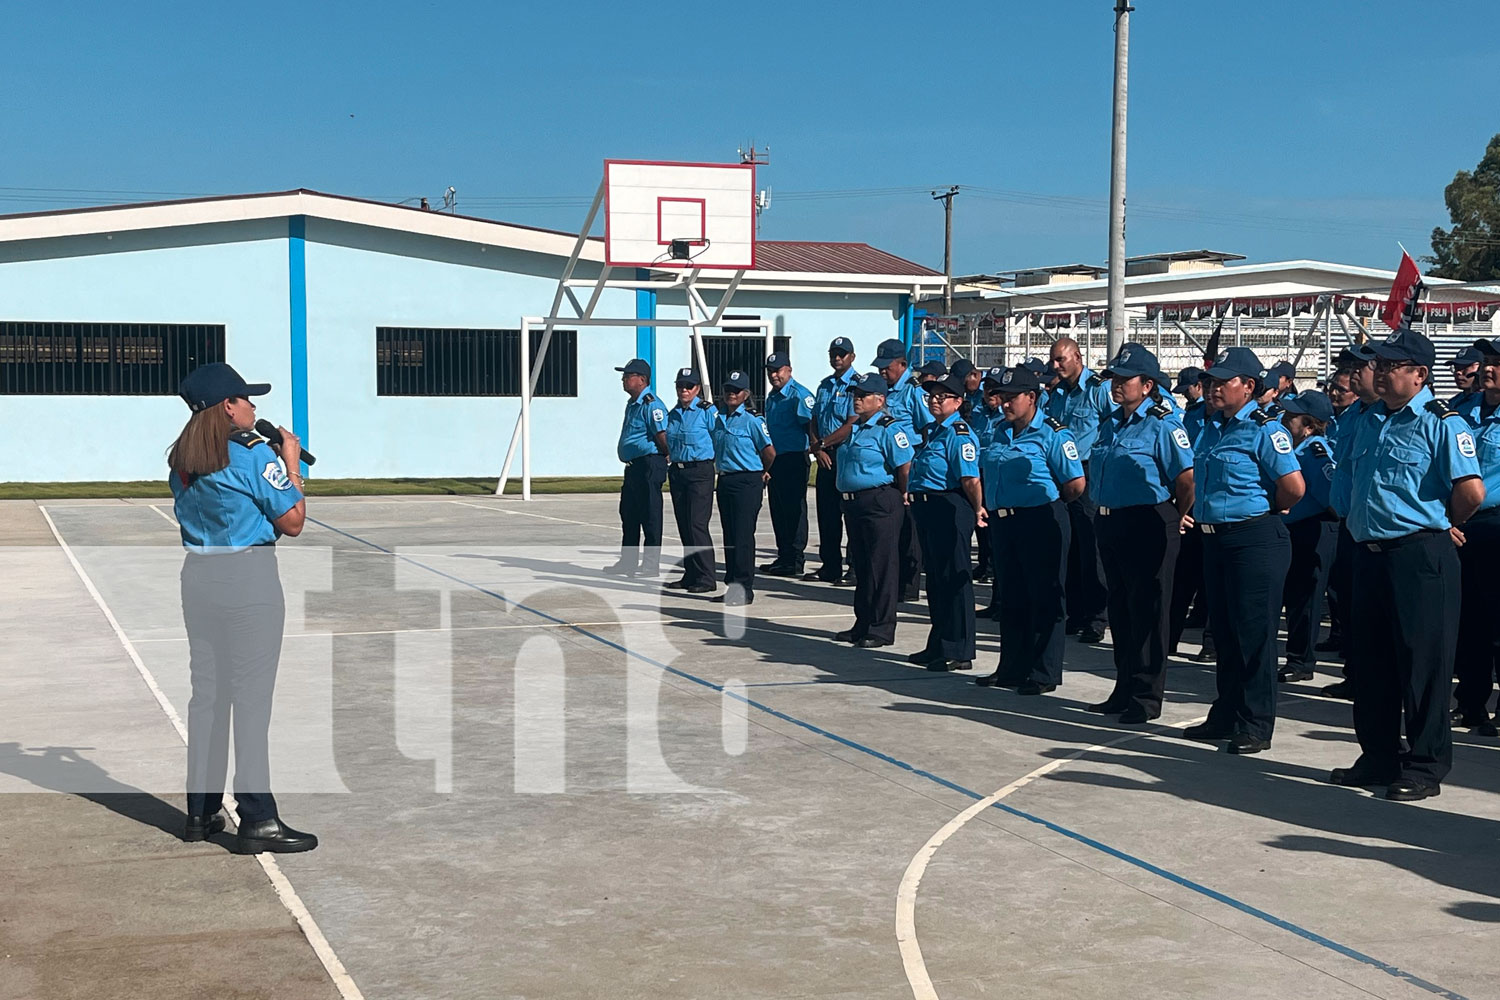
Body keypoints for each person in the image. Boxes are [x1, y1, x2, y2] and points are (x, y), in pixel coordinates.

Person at [167, 362, 317, 853]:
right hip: (248, 582)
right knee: (251, 702)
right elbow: (292, 521)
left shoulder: (183, 460)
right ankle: (258, 818)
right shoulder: (254, 455)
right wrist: (291, 463)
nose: (255, 407)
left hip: (200, 579)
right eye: (248, 398)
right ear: (228, 406)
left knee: (207, 697)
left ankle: (201, 811)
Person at [1330, 328, 1483, 801]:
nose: (1378, 371)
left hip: (1419, 553)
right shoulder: (1369, 420)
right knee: (1372, 662)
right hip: (1369, 554)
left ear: (1419, 374)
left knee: (1423, 664)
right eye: (1379, 363)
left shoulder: (1443, 422)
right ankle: (1377, 755)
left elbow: (1471, 492)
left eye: (1390, 365)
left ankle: (1424, 764)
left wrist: (1442, 523)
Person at [1183, 347, 1304, 755]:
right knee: (1226, 632)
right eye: (1211, 382)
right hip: (1214, 538)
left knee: (1255, 633)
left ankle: (1256, 722)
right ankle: (1226, 711)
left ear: (1248, 387)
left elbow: (1294, 487)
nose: (1213, 389)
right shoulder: (1211, 427)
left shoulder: (1265, 429)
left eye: (1223, 382)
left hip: (1254, 537)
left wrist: (1266, 509)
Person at [1087, 345, 1196, 721]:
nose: (1116, 385)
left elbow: (1185, 480)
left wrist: (1177, 517)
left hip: (1148, 522)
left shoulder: (1163, 424)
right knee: (1120, 609)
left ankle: (1147, 697)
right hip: (1111, 521)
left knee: (1148, 611)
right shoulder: (1111, 422)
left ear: (1147, 385)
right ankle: (1124, 687)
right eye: (1113, 378)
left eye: (1124, 379)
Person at [975, 366, 1084, 694]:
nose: (1004, 404)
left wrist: (1047, 505)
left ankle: (1043, 671)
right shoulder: (998, 431)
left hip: (1040, 518)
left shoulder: (1052, 433)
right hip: (1005, 521)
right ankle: (1012, 666)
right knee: (1011, 596)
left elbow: (1075, 484)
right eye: (1001, 398)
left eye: (1011, 398)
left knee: (1044, 596)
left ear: (1032, 397)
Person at [907, 373, 987, 672]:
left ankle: (960, 648)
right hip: (929, 508)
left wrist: (978, 509)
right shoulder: (934, 431)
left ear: (958, 401)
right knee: (938, 581)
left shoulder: (959, 433)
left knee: (955, 578)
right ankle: (939, 643)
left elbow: (969, 478)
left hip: (950, 506)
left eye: (943, 396)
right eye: (932, 395)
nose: (935, 400)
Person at [833, 372, 915, 649]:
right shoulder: (855, 428)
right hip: (854, 502)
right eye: (856, 395)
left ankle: (881, 627)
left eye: (863, 396)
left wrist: (904, 494)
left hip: (880, 500)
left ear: (880, 400)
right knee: (863, 565)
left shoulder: (890, 429)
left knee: (882, 566)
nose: (857, 400)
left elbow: (904, 466)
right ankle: (863, 622)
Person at [1046, 336, 1114, 642]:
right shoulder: (1057, 394)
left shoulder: (1099, 389)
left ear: (1077, 357)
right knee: (1067, 544)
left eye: (1061, 359)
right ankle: (1074, 612)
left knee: (1091, 547)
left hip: (1088, 472)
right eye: (1053, 360)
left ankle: (1097, 617)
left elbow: (1115, 426)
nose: (1055, 365)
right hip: (1061, 473)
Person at [1321, 344, 1379, 698]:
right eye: (1348, 368)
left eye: (1358, 368)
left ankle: (1371, 679)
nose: (1352, 374)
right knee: (1351, 604)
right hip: (1348, 521)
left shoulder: (1382, 415)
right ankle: (1355, 673)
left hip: (1374, 525)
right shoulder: (1352, 415)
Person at [1451, 338, 1500, 738]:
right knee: (1468, 621)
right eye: (1487, 361)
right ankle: (1470, 703)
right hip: (1463, 525)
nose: (1488, 368)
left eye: (1498, 363)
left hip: (1499, 526)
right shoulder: (1462, 412)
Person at [1276, 391, 1339, 683]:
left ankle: (1301, 661)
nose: (1285, 420)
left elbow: (1331, 498)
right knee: (1292, 595)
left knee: (1307, 597)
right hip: (1293, 529)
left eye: (1292, 417)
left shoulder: (1315, 453)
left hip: (1313, 529)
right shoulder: (1293, 448)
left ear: (1310, 426)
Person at [875, 338, 934, 600]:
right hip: (888, 470)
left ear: (902, 364)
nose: (882, 372)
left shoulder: (914, 393)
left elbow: (929, 430)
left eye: (887, 367)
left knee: (910, 532)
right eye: (879, 368)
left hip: (909, 468)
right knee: (894, 531)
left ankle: (909, 586)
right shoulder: (883, 390)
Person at [711, 371, 775, 606]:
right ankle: (732, 586)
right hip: (726, 480)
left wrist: (761, 472)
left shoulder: (752, 420)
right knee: (729, 535)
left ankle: (744, 588)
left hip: (747, 481)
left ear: (746, 394)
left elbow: (769, 452)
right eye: (728, 389)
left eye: (736, 390)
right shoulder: (719, 419)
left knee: (743, 535)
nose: (731, 394)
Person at [607, 358, 668, 578]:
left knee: (650, 516)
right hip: (634, 466)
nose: (623, 380)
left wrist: (665, 458)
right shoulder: (633, 404)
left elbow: (662, 436)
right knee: (629, 515)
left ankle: (650, 565)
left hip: (648, 464)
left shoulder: (651, 404)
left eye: (628, 376)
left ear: (641, 380)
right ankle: (628, 562)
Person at [806, 337, 860, 584]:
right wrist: (817, 449)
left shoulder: (857, 386)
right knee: (827, 516)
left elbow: (852, 424)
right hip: (824, 455)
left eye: (842, 354)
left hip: (845, 455)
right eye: (833, 354)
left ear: (852, 357)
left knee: (851, 515)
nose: (837, 358)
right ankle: (830, 566)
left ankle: (855, 568)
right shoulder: (824, 386)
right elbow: (815, 419)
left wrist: (823, 444)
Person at [760, 352, 815, 578]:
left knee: (794, 511)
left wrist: (814, 449)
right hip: (776, 460)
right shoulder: (772, 397)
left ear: (789, 370)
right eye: (770, 371)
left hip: (794, 458)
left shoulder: (799, 396)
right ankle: (783, 556)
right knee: (778, 510)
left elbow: (811, 425)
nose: (774, 375)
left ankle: (795, 559)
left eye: (778, 370)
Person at [664, 368, 717, 594]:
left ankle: (706, 577)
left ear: (697, 389)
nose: (684, 390)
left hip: (700, 471)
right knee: (684, 524)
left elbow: (719, 437)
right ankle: (691, 574)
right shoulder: (673, 413)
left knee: (697, 524)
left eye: (689, 386)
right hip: (678, 471)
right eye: (680, 386)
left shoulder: (707, 411)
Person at [969, 367, 1006, 605]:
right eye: (987, 387)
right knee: (984, 532)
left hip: (1001, 478)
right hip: (980, 475)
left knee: (1001, 542)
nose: (989, 392)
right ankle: (995, 600)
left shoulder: (1010, 415)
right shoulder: (977, 411)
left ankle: (1002, 600)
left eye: (995, 388)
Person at [1448, 345, 1482, 410]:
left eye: (1465, 367)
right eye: (1456, 368)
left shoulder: (1488, 403)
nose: (1458, 372)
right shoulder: (1453, 403)